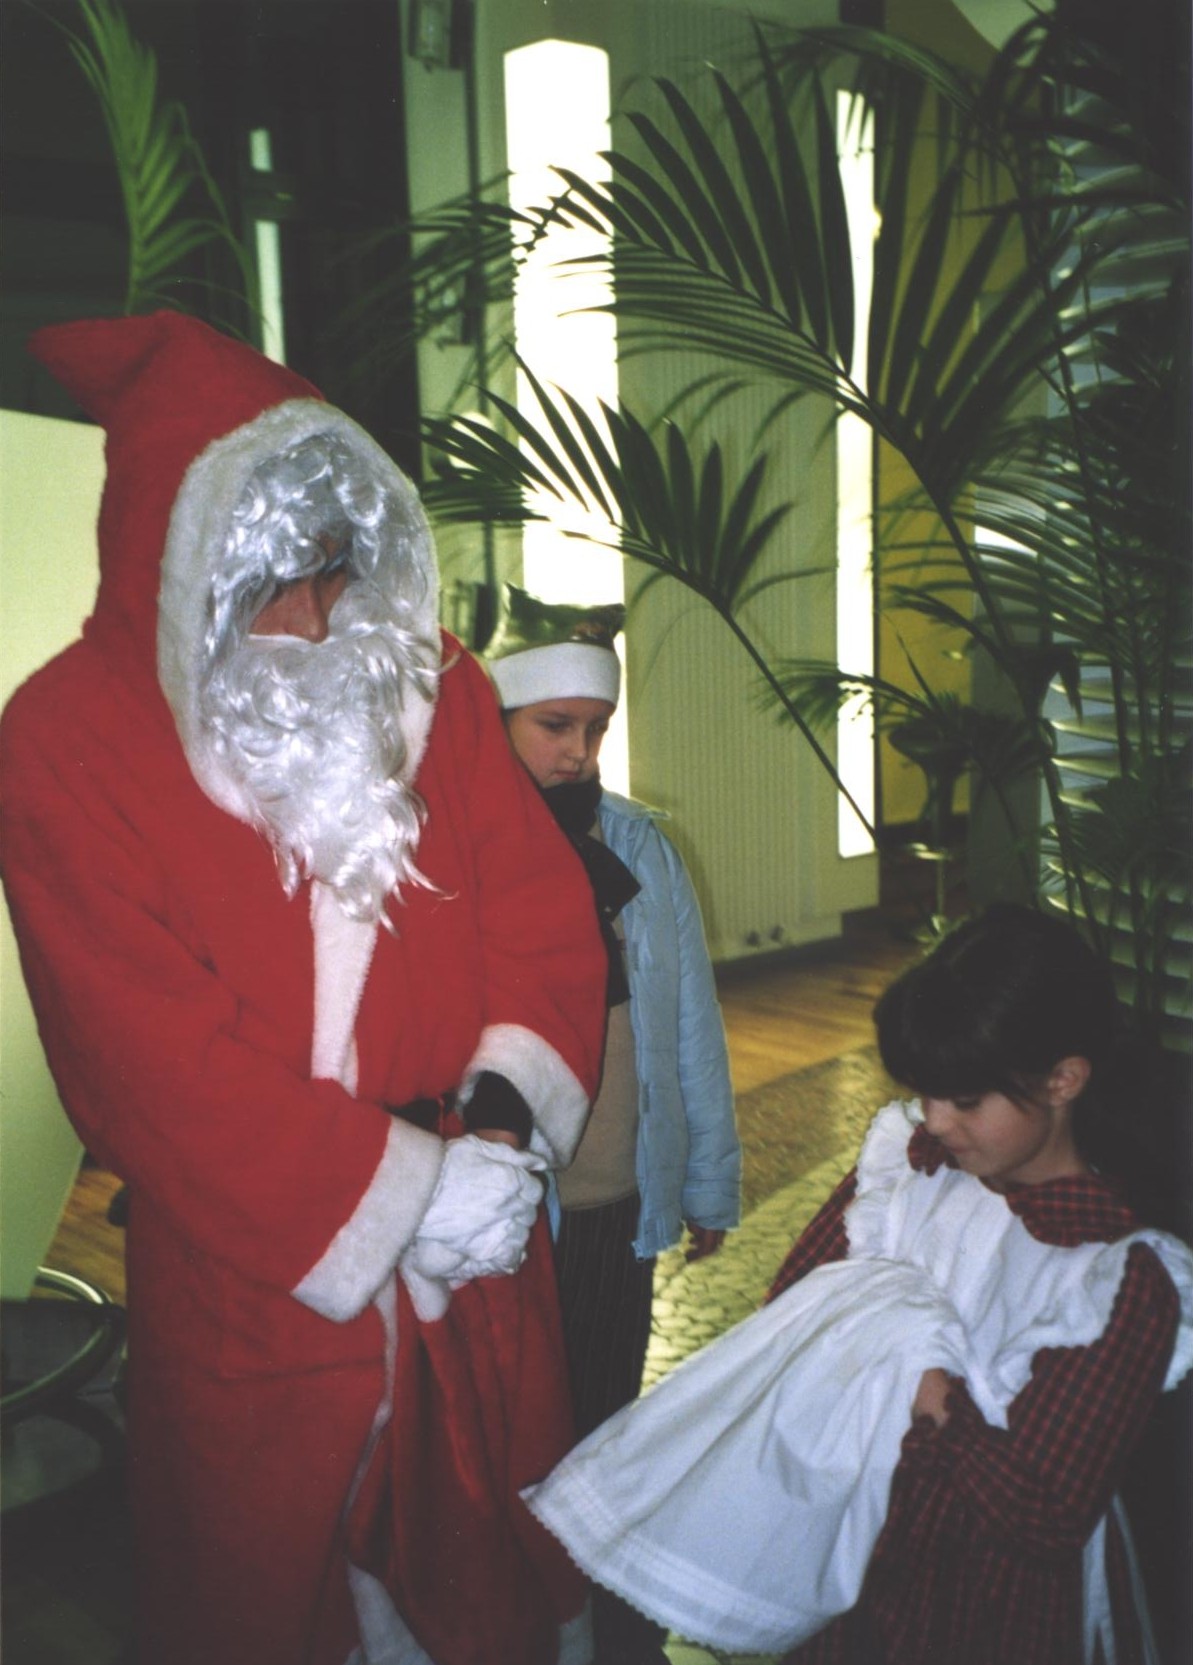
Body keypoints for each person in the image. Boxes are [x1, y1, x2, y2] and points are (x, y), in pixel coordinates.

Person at [0, 313, 610, 1665]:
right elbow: (141, 1059)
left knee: (492, 1582)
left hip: (474, 1243)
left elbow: (537, 917)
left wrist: (499, 1129)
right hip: (256, 1268)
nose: (319, 618)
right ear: (184, 566)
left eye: (339, 569)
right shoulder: (62, 740)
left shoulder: (433, 684)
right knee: (270, 1588)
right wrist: (400, 1194)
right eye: (274, 581)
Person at [525, 903, 1193, 1665]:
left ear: (1063, 1079)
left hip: (985, 1596)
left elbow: (1041, 1513)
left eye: (965, 1100)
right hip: (853, 1552)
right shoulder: (908, 1171)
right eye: (925, 1091)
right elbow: (798, 1307)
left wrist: (918, 1376)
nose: (934, 1120)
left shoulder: (1115, 1275)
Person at [485, 585, 742, 1664]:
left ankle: (596, 1608)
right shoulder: (460, 845)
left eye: (596, 730)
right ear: (496, 715)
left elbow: (689, 1028)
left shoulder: (638, 845)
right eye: (555, 727)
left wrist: (706, 1180)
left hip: (615, 1199)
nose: (579, 753)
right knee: (510, 1430)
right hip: (506, 1213)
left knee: (601, 1413)